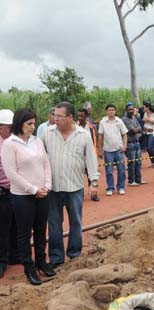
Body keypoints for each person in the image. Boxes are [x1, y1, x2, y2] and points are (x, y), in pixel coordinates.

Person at [1, 109, 55, 285]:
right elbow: (11, 173)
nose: (33, 127)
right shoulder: (10, 144)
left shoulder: (36, 141)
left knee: (41, 230)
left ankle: (42, 262)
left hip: (42, 193)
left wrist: (47, 185)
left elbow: (46, 163)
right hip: (23, 196)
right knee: (24, 234)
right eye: (29, 124)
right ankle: (29, 268)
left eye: (34, 123)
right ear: (19, 124)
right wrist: (33, 189)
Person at [43, 102, 99, 267]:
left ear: (70, 117)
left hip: (74, 187)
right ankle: (56, 257)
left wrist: (94, 182)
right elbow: (40, 157)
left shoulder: (83, 135)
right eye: (55, 115)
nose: (56, 119)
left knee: (76, 222)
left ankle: (74, 255)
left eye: (59, 116)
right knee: (54, 224)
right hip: (52, 188)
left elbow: (91, 159)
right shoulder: (47, 133)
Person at [0, 109, 17, 278]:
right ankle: (2, 260)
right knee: (2, 228)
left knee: (15, 225)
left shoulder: (13, 142)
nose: (11, 130)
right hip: (2, 191)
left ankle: (13, 255)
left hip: (15, 191)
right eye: (8, 127)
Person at [98, 104, 128, 196]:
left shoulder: (119, 121)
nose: (111, 111)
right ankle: (110, 188)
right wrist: (100, 149)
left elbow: (124, 134)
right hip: (107, 150)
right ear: (107, 111)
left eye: (113, 110)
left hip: (119, 149)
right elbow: (100, 136)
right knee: (109, 171)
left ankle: (121, 187)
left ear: (115, 111)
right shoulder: (103, 122)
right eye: (109, 110)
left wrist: (124, 145)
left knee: (121, 170)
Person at [77, 108, 100, 202]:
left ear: (86, 116)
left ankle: (94, 194)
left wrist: (95, 154)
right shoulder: (74, 127)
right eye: (78, 116)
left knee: (92, 174)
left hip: (90, 155)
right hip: (78, 156)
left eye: (81, 116)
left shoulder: (91, 127)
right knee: (78, 175)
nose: (79, 118)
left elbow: (95, 141)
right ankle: (79, 195)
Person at [122, 103, 144, 186]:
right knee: (132, 163)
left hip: (137, 142)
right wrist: (136, 129)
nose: (131, 111)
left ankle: (138, 179)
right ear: (126, 110)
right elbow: (132, 131)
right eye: (129, 109)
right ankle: (131, 181)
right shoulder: (124, 120)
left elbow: (140, 129)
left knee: (138, 162)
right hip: (130, 143)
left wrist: (136, 129)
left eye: (132, 109)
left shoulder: (134, 118)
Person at [143, 102, 154, 168]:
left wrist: (149, 120)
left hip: (152, 132)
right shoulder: (145, 114)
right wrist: (147, 120)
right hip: (146, 132)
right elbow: (143, 120)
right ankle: (153, 162)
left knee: (150, 147)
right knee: (147, 148)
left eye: (144, 107)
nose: (143, 108)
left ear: (147, 108)